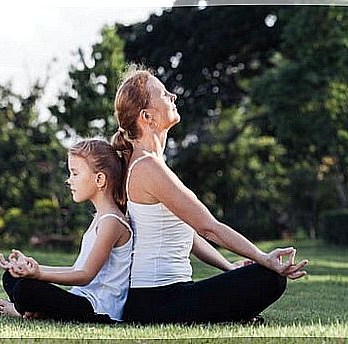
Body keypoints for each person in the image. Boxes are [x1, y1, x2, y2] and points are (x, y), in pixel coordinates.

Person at [111, 65, 309, 324]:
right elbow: (209, 228)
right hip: (156, 302)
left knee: (257, 275)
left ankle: (231, 313)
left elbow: (190, 236)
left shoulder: (149, 164)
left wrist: (229, 267)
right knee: (269, 278)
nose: (173, 96)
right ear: (147, 116)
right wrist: (263, 258)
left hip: (161, 298)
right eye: (164, 93)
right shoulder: (148, 167)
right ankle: (232, 315)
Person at [0, 139, 132, 323]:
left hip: (97, 309)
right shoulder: (100, 218)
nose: (69, 180)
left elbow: (85, 275)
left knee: (25, 290)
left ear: (99, 179)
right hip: (81, 300)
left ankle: (25, 311)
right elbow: (76, 269)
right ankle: (39, 311)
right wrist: (29, 269)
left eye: (75, 173)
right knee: (11, 277)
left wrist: (38, 275)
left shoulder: (112, 222)